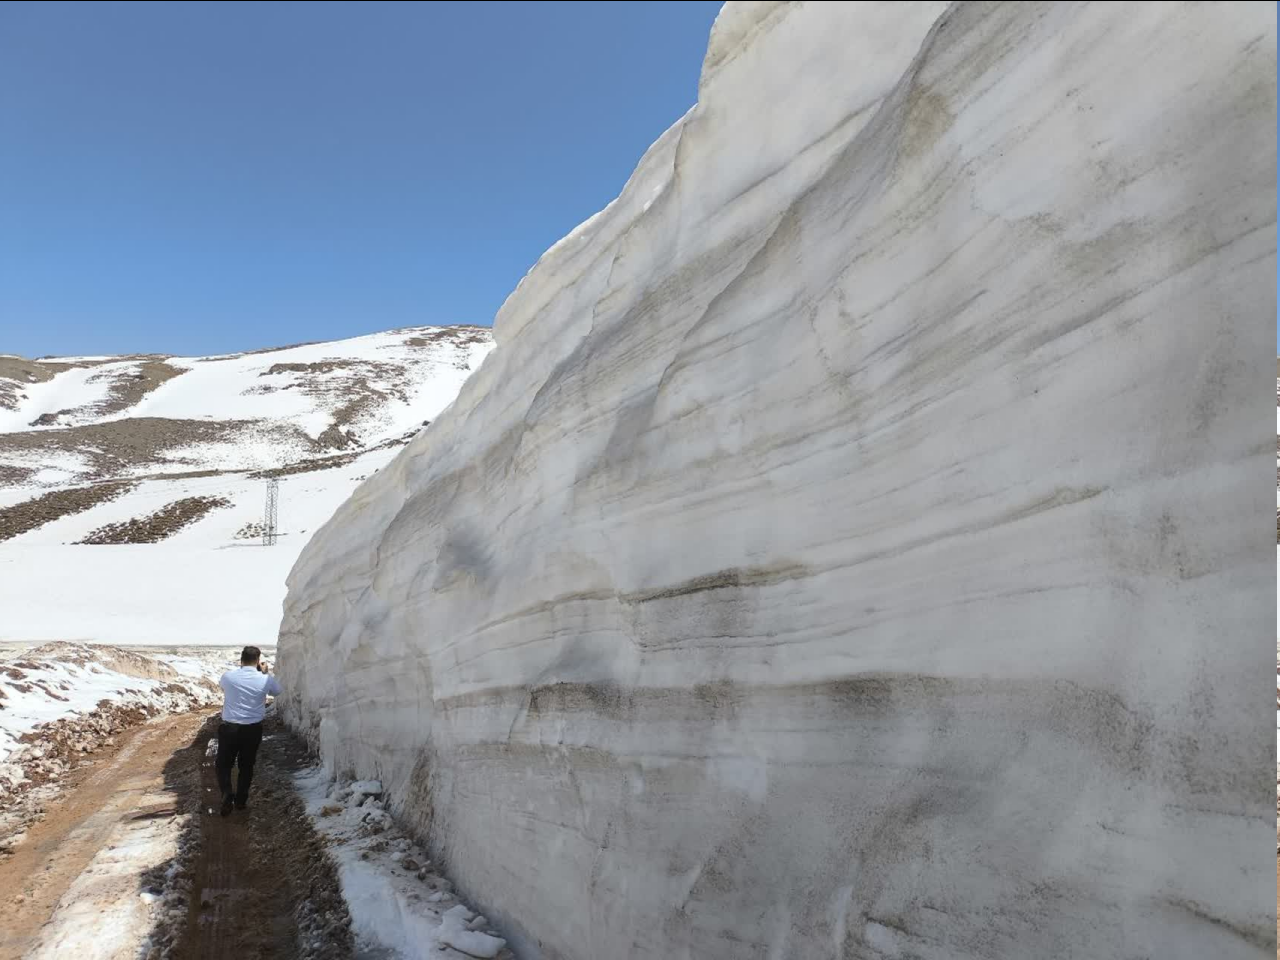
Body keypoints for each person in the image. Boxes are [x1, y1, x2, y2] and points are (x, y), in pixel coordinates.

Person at [216, 645, 281, 816]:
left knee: (223, 764)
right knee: (246, 766)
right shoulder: (264, 679)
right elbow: (277, 692)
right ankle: (241, 801)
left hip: (229, 727)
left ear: (241, 659)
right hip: (252, 729)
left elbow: (223, 687)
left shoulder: (228, 676)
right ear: (258, 661)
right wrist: (265, 673)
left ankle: (226, 793)